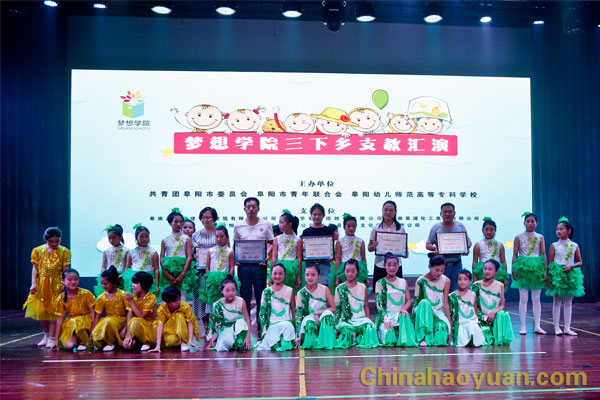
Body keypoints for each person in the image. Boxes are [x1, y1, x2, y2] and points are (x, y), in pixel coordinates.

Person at [23, 227, 71, 348]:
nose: (54, 244)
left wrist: (64, 284)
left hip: (56, 284)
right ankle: (46, 335)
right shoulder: (38, 250)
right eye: (51, 241)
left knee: (53, 311)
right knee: (43, 311)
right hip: (42, 284)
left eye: (57, 241)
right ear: (46, 239)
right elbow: (35, 268)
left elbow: (65, 270)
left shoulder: (64, 251)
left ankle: (52, 337)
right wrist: (33, 283)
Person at [233, 197, 274, 332]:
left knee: (260, 295)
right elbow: (236, 244)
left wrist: (265, 254)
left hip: (259, 265)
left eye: (253, 207)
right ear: (244, 209)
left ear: (258, 209)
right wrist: (237, 258)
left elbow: (272, 243)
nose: (251, 209)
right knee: (244, 295)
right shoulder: (238, 225)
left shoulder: (266, 224)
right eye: (248, 207)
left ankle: (261, 325)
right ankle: (245, 326)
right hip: (243, 266)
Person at [546, 217, 584, 336]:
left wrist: (571, 266)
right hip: (558, 274)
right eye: (557, 229)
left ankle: (567, 328)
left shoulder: (574, 245)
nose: (558, 231)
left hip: (570, 274)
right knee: (557, 301)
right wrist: (549, 277)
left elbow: (580, 262)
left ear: (568, 231)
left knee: (568, 302)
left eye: (561, 229)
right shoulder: (554, 245)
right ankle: (556, 327)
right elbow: (550, 263)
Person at [511, 212, 547, 335]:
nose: (530, 223)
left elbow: (543, 254)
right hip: (523, 267)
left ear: (536, 223)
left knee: (536, 298)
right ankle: (523, 326)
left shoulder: (540, 237)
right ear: (524, 223)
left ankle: (537, 326)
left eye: (533, 221)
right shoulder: (518, 237)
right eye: (528, 221)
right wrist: (513, 268)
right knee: (523, 298)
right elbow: (515, 254)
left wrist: (545, 270)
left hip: (536, 267)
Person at [333, 259, 379, 349]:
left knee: (370, 328)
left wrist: (368, 320)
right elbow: (337, 309)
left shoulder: (362, 287)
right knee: (347, 331)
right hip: (346, 320)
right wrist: (336, 326)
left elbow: (366, 307)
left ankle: (359, 337)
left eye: (353, 271)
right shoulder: (340, 288)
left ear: (357, 272)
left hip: (360, 319)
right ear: (344, 271)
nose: (350, 274)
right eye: (347, 271)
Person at [426, 203, 472, 292]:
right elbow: (428, 244)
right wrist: (435, 249)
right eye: (445, 212)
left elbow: (469, 242)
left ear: (454, 213)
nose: (447, 214)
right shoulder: (436, 227)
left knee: (456, 292)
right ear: (440, 213)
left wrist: (465, 248)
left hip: (457, 265)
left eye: (450, 212)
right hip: (441, 267)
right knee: (441, 292)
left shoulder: (460, 226)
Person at [375, 254, 417, 347]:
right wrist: (385, 319)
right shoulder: (380, 283)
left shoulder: (403, 282)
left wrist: (404, 309)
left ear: (398, 266)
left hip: (400, 316)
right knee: (388, 339)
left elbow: (408, 301)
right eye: (389, 265)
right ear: (384, 265)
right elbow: (379, 304)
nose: (392, 268)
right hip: (386, 316)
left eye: (395, 265)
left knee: (405, 338)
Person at [51, 268, 96, 351]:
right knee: (69, 346)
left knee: (78, 321)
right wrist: (56, 340)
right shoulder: (61, 298)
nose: (73, 282)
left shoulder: (86, 294)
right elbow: (60, 319)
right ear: (63, 281)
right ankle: (78, 339)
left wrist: (93, 330)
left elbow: (94, 313)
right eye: (69, 280)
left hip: (86, 323)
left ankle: (84, 342)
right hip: (72, 324)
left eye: (76, 279)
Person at [413, 253, 451, 347]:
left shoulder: (446, 280)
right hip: (423, 313)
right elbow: (416, 303)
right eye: (437, 270)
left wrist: (450, 324)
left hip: (438, 313)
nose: (440, 273)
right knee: (424, 302)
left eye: (442, 270)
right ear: (429, 267)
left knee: (441, 327)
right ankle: (423, 337)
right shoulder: (421, 281)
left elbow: (446, 304)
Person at [368, 201, 407, 293]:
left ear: (395, 212)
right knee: (379, 293)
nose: (388, 212)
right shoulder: (376, 228)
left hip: (396, 266)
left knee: (397, 293)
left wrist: (405, 253)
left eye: (391, 210)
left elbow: (405, 249)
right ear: (382, 211)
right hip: (380, 265)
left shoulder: (401, 229)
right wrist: (373, 246)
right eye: (385, 210)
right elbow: (369, 248)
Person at [294, 264, 336, 350]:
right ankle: (312, 341)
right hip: (308, 319)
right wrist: (298, 336)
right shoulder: (301, 293)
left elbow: (333, 308)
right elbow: (298, 315)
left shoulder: (324, 289)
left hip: (322, 318)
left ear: (318, 276)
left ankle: (326, 343)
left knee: (328, 315)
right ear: (304, 275)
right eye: (307, 275)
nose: (310, 277)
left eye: (313, 275)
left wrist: (318, 313)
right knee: (309, 324)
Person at [472, 260, 514, 345]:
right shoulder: (476, 285)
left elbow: (502, 305)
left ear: (496, 271)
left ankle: (499, 337)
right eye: (485, 269)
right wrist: (480, 318)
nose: (487, 271)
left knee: (504, 314)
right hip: (481, 317)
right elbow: (473, 305)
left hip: (494, 316)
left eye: (490, 269)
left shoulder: (500, 285)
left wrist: (494, 312)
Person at [256, 264, 296, 351]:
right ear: (271, 274)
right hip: (272, 325)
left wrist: (295, 328)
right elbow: (262, 313)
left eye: (280, 273)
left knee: (286, 344)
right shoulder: (266, 291)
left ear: (285, 275)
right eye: (275, 273)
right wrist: (264, 330)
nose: (277, 276)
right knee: (273, 346)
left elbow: (293, 310)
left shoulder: (289, 290)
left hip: (286, 324)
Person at [191, 207, 219, 335]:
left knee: (214, 299)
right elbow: (191, 253)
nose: (205, 220)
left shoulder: (219, 233)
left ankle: (215, 327)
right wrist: (194, 255)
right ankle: (206, 327)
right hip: (200, 273)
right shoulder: (196, 235)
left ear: (214, 218)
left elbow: (226, 250)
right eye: (203, 217)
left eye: (208, 217)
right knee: (201, 300)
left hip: (216, 273)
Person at [206, 275, 252, 351]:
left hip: (239, 329)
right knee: (223, 346)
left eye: (233, 290)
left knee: (240, 322)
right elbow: (212, 323)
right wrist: (210, 339)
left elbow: (247, 320)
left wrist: (248, 337)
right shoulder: (217, 304)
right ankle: (231, 343)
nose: (231, 293)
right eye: (227, 291)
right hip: (226, 329)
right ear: (222, 291)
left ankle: (240, 343)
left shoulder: (241, 301)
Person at [159, 208, 195, 301]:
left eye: (181, 222)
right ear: (170, 223)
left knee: (182, 299)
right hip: (168, 271)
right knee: (167, 299)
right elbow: (162, 258)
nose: (179, 224)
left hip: (183, 270)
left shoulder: (186, 238)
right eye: (176, 222)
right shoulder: (165, 239)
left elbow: (189, 257)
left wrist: (182, 274)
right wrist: (167, 275)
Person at [149, 286, 199, 352]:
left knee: (179, 315)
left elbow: (190, 324)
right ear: (167, 302)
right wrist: (158, 345)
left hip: (184, 330)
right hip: (170, 330)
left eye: (179, 299)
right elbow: (160, 325)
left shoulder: (185, 306)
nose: (178, 302)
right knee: (171, 341)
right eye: (175, 301)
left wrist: (190, 340)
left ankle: (183, 343)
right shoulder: (161, 309)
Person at [91, 266, 128, 351]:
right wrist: (93, 330)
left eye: (106, 284)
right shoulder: (101, 297)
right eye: (102, 283)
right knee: (105, 323)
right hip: (109, 320)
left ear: (113, 282)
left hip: (121, 320)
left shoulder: (123, 295)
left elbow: (129, 313)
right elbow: (97, 315)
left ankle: (112, 343)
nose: (103, 286)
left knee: (108, 322)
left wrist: (125, 328)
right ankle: (107, 341)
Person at [199, 225, 235, 307]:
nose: (219, 239)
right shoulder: (211, 250)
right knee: (213, 305)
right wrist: (207, 282)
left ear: (226, 237)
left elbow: (232, 267)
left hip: (224, 280)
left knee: (225, 305)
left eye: (222, 236)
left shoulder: (230, 251)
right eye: (217, 236)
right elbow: (207, 267)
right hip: (212, 281)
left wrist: (230, 281)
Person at [448, 270, 485, 347]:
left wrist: (477, 322)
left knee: (473, 326)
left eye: (465, 279)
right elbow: (451, 313)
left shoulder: (473, 294)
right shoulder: (452, 296)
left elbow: (475, 310)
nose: (462, 282)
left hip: (471, 321)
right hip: (460, 323)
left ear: (470, 281)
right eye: (460, 279)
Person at [300, 203, 334, 286]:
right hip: (310, 265)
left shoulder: (328, 231)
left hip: (324, 265)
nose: (317, 217)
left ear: (323, 215)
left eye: (319, 214)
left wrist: (331, 255)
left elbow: (332, 249)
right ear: (311, 215)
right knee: (310, 289)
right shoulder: (306, 232)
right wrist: (303, 251)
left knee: (323, 289)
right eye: (314, 214)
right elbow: (302, 250)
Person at [123, 271, 158, 351]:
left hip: (149, 327)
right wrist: (128, 335)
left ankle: (146, 342)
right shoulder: (133, 297)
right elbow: (129, 316)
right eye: (133, 283)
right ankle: (137, 341)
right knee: (126, 345)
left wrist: (131, 301)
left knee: (135, 321)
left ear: (144, 284)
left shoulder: (151, 297)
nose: (132, 285)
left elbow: (141, 316)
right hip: (135, 326)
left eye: (136, 283)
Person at [95, 224, 132, 295]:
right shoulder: (106, 251)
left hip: (121, 278)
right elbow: (103, 267)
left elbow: (127, 268)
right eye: (109, 238)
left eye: (114, 238)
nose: (111, 240)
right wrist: (106, 274)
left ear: (120, 237)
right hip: (108, 277)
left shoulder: (126, 251)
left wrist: (120, 276)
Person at [333, 213, 368, 288]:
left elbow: (363, 259)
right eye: (348, 226)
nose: (351, 228)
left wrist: (366, 276)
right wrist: (337, 277)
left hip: (358, 269)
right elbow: (338, 259)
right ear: (344, 227)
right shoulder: (340, 242)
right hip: (344, 269)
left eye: (353, 226)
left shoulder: (361, 241)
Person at [472, 218, 508, 287]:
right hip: (482, 271)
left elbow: (503, 262)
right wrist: (474, 278)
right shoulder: (478, 245)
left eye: (491, 230)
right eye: (486, 229)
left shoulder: (500, 245)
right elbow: (474, 262)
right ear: (482, 230)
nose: (489, 232)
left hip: (497, 272)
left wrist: (505, 277)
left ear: (495, 231)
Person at [272, 210, 302, 291]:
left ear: (290, 224)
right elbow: (274, 257)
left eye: (282, 222)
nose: (280, 225)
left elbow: (299, 258)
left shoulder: (297, 240)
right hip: (279, 269)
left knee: (290, 292)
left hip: (292, 270)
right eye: (279, 222)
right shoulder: (277, 239)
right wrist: (272, 274)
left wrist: (298, 276)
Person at [126, 224, 159, 295]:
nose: (144, 239)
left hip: (148, 278)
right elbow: (127, 268)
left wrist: (156, 284)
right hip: (134, 278)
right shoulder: (131, 252)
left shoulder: (153, 252)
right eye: (141, 237)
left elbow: (156, 269)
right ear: (136, 238)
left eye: (146, 236)